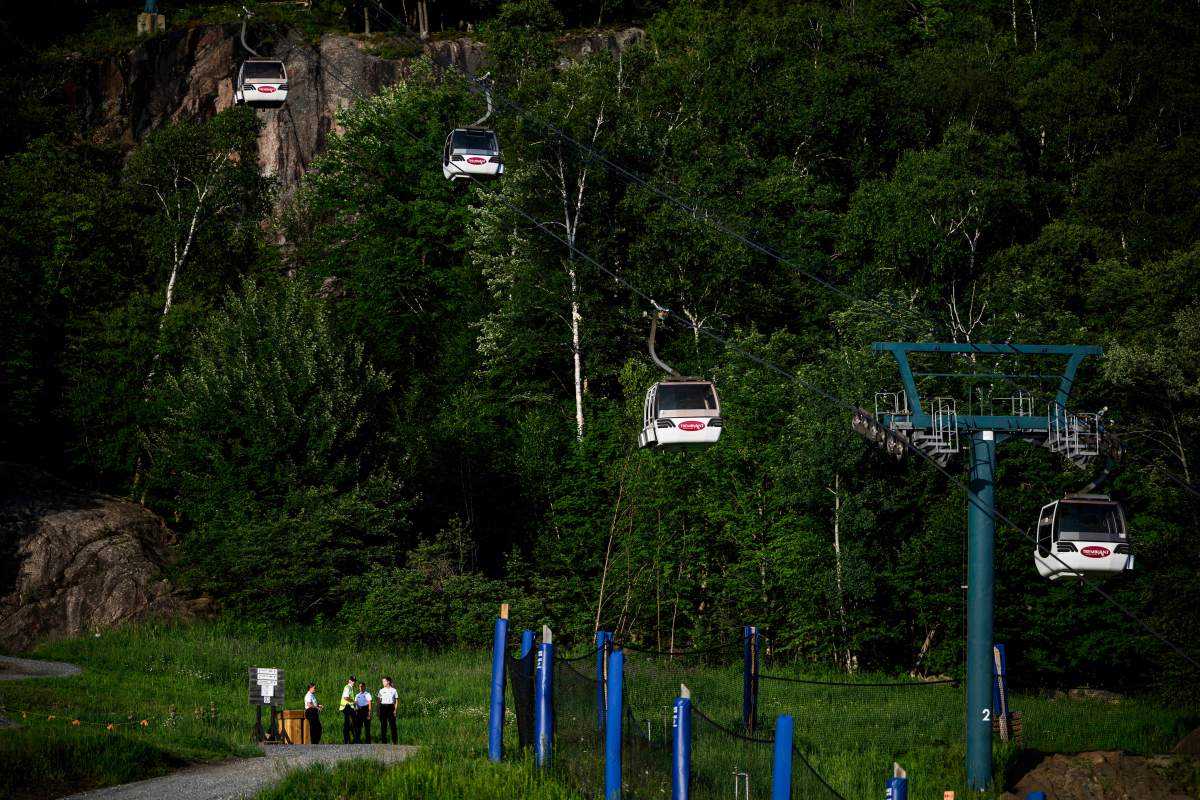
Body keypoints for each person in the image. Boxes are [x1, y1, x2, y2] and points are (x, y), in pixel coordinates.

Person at [377, 675, 398, 744]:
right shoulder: (381, 690)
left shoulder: (394, 690)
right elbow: (379, 700)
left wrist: (395, 709)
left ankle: (395, 741)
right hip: (383, 707)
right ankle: (384, 741)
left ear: (388, 682)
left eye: (384, 681)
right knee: (383, 725)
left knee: (393, 724)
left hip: (390, 707)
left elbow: (396, 700)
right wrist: (379, 709)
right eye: (382, 681)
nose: (383, 682)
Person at [340, 675, 357, 744]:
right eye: (352, 681)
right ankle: (348, 740)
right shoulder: (347, 687)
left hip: (349, 707)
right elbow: (346, 697)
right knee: (349, 723)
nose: (354, 682)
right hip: (346, 707)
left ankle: (349, 740)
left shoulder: (350, 688)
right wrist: (354, 701)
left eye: (354, 681)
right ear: (349, 681)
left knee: (350, 723)